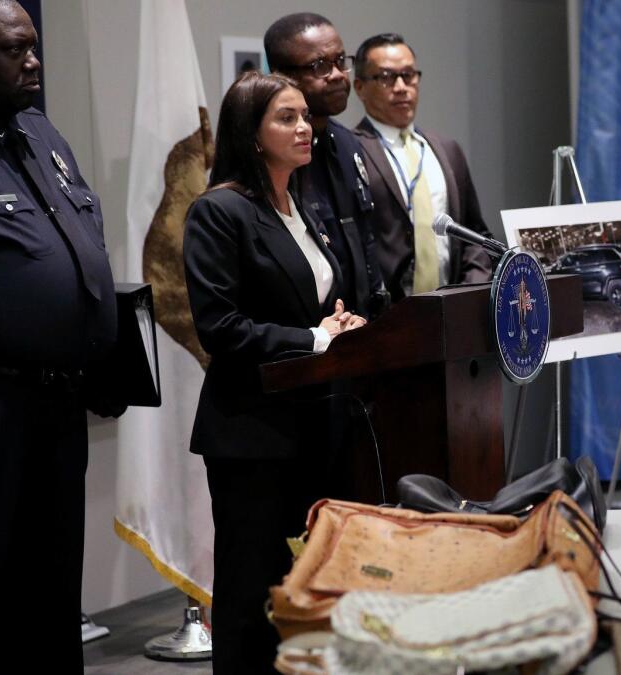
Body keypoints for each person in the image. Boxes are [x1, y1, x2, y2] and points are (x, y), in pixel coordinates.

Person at [183, 71, 365, 672]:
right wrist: (314, 337)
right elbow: (221, 328)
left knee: (306, 582)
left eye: (305, 116)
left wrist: (335, 326)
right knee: (250, 588)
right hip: (251, 433)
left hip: (316, 425)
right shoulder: (220, 211)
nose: (304, 127)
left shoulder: (301, 205)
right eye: (286, 118)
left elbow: (307, 302)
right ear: (252, 134)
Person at [0, 1, 119, 671]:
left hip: (59, 403)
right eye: (12, 50)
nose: (33, 62)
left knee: (55, 589)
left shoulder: (39, 133)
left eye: (33, 47)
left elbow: (81, 241)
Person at [352, 32, 494, 301]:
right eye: (386, 77)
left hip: (451, 310)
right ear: (359, 87)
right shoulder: (351, 150)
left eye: (408, 75)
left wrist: (468, 291)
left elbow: (475, 233)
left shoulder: (446, 149)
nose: (401, 86)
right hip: (387, 318)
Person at [264, 12, 386, 319]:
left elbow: (364, 240)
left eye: (340, 60)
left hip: (362, 332)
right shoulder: (273, 160)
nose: (337, 74)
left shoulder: (348, 144)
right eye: (320, 66)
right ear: (280, 74)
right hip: (309, 340)